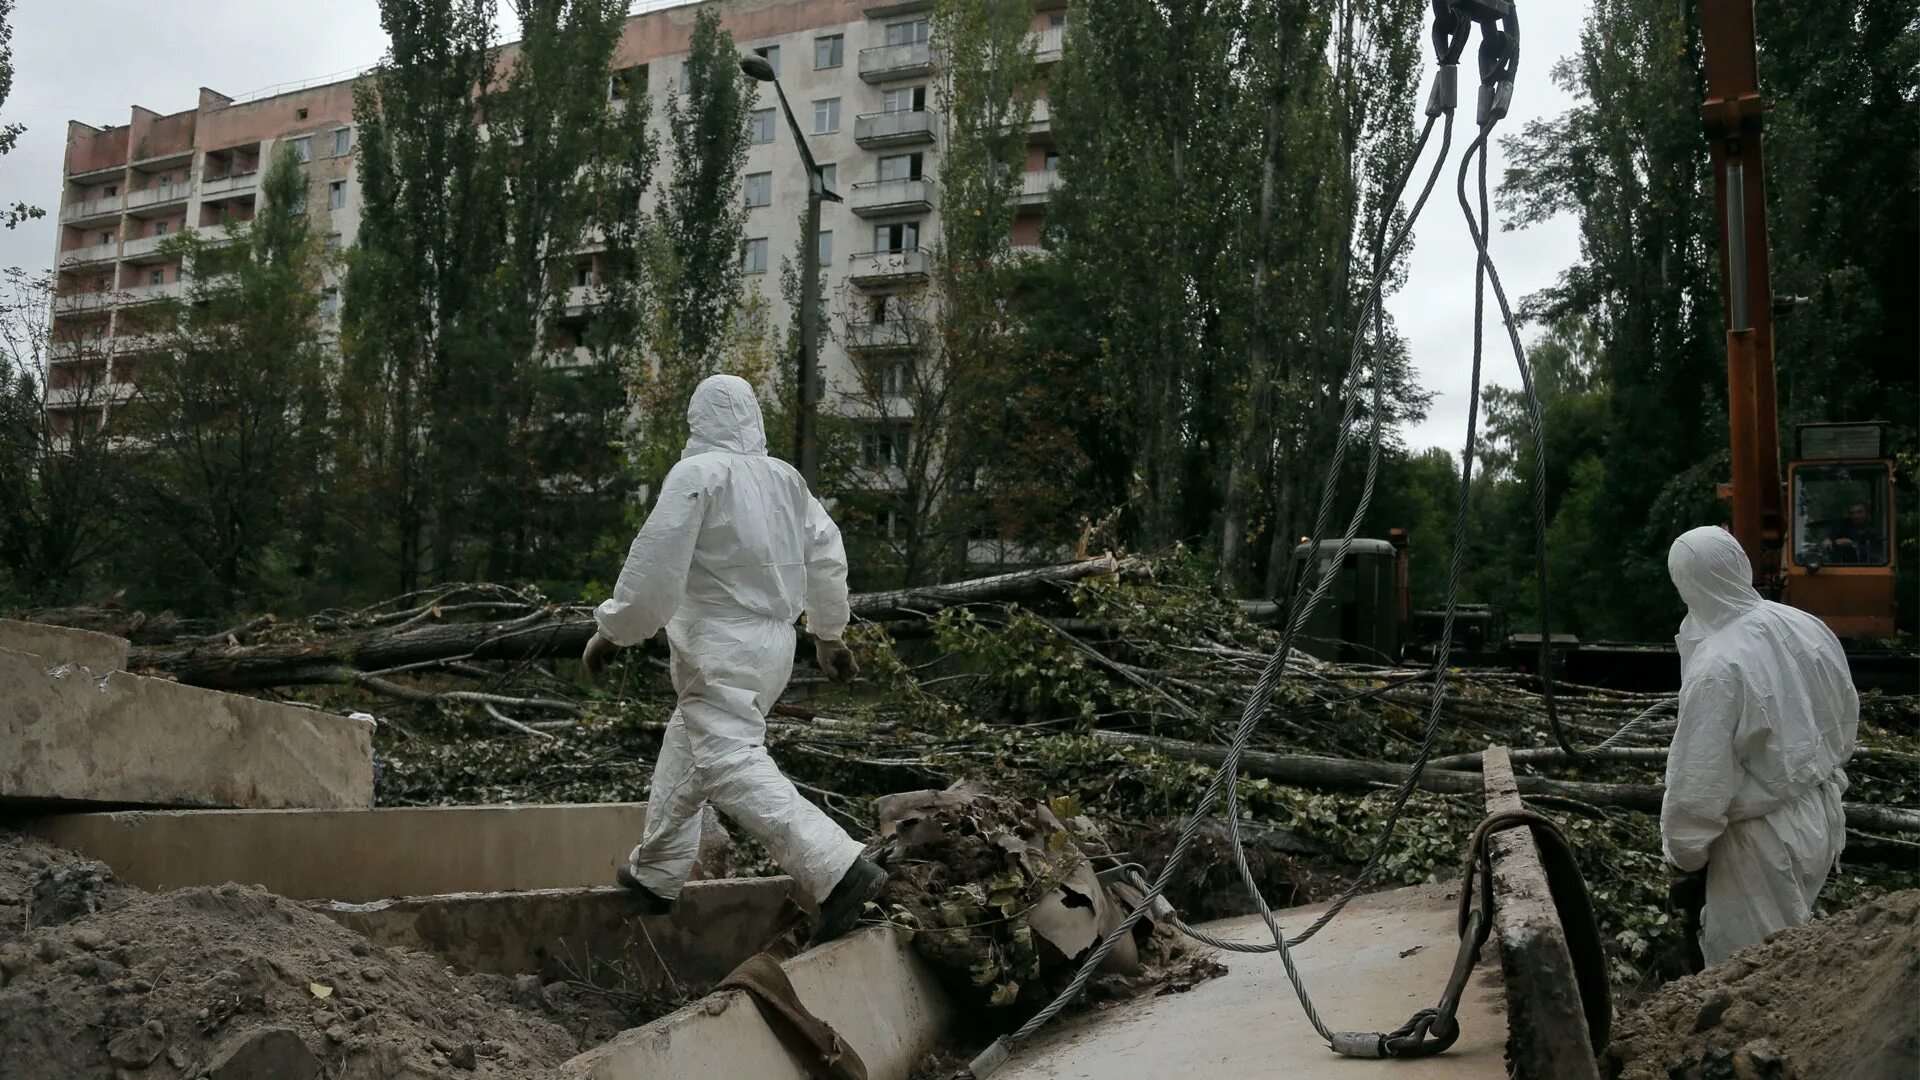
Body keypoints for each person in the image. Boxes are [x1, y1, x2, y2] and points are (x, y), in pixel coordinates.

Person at [581, 374, 887, 945]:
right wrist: (827, 634)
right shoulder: (785, 480)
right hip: (776, 643)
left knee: (728, 759)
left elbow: (654, 571)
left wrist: (612, 631)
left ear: (698, 419)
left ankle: (838, 869)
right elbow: (827, 552)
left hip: (719, 640)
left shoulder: (697, 476)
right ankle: (656, 874)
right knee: (691, 744)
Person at [1662, 526, 1858, 967]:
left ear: (1687, 583)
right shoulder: (1804, 624)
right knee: (1790, 960)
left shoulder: (1717, 665)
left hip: (1762, 844)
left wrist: (1684, 853)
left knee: (1750, 974)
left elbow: (1698, 780)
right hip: (1820, 815)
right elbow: (1845, 714)